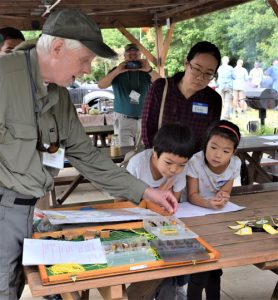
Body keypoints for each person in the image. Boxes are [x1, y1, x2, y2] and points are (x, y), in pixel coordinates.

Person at [0, 8, 178, 300]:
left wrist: (146, 191)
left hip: (30, 210)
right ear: (57, 48)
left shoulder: (58, 94)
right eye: (85, 60)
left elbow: (87, 155)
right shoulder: (4, 77)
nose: (86, 70)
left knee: (14, 287)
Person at [126, 123, 195, 300]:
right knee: (153, 263)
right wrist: (163, 190)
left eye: (181, 165)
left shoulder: (180, 168)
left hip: (162, 223)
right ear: (155, 152)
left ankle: (176, 288)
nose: (174, 169)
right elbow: (126, 204)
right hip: (134, 222)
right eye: (169, 162)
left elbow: (173, 204)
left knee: (184, 249)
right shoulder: (137, 165)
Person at [186, 120, 242, 300]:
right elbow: (192, 195)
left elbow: (225, 191)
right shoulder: (195, 161)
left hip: (217, 217)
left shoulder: (235, 164)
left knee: (216, 267)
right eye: (213, 147)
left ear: (233, 152)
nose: (218, 155)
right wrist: (210, 203)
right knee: (200, 267)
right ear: (205, 144)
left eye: (226, 151)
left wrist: (222, 197)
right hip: (195, 214)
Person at [142, 41, 222, 152]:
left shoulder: (213, 99)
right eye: (197, 69)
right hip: (161, 162)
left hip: (194, 164)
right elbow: (147, 129)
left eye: (208, 73)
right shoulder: (161, 88)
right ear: (186, 63)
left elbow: (211, 136)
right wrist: (157, 160)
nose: (200, 77)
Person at [98, 43, 160, 146]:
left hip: (144, 119)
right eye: (129, 54)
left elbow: (161, 83)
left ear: (140, 55)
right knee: (124, 153)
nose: (133, 57)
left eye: (135, 54)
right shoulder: (117, 71)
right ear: (124, 56)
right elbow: (101, 85)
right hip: (123, 119)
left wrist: (149, 70)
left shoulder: (147, 71)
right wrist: (117, 70)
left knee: (144, 153)